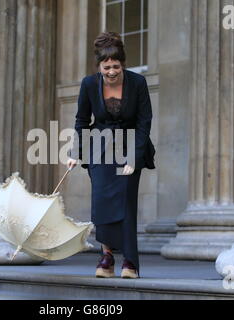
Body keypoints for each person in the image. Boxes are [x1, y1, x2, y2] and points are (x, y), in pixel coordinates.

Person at [67, 32, 156, 279]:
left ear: (123, 65)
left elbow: (144, 122)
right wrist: (77, 152)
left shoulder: (138, 83)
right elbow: (82, 120)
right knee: (102, 201)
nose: (112, 72)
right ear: (99, 66)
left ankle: (129, 261)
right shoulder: (88, 84)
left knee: (126, 203)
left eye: (116, 66)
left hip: (130, 145)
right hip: (100, 147)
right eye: (107, 67)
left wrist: (134, 158)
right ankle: (106, 257)